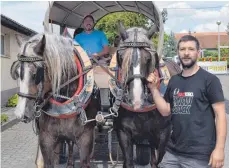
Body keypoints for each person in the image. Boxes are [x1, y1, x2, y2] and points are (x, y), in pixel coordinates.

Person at [147, 35, 227, 168]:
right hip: (173, 152)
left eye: (191, 49)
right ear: (178, 53)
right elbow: (166, 110)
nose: (186, 53)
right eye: (182, 49)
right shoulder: (174, 81)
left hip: (199, 155)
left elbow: (220, 116)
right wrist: (154, 90)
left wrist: (219, 149)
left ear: (198, 52)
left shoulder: (210, 80)